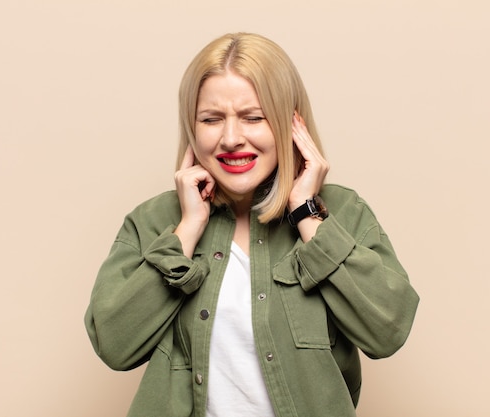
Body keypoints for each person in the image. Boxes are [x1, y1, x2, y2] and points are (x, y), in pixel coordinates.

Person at [85, 32, 419, 417]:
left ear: (290, 122)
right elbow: (114, 345)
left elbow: (388, 331)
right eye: (211, 119)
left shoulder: (343, 211)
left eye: (253, 117)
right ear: (192, 128)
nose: (231, 138)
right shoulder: (153, 222)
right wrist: (187, 230)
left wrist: (307, 214)